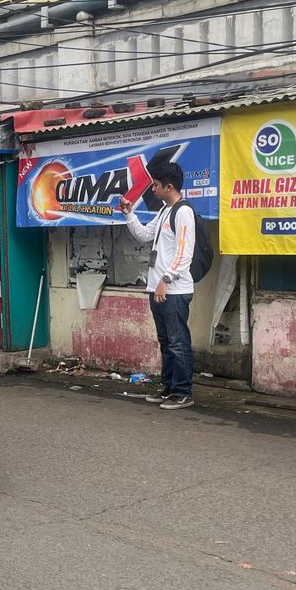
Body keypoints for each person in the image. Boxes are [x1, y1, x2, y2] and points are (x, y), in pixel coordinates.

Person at [120, 162, 195, 410]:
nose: (152, 189)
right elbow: (143, 235)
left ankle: (183, 392)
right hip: (158, 290)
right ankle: (170, 388)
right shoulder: (164, 211)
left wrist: (166, 279)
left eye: (155, 185)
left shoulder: (183, 212)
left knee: (177, 341)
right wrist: (129, 214)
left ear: (169, 186)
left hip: (174, 290)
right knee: (166, 342)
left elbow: (185, 253)